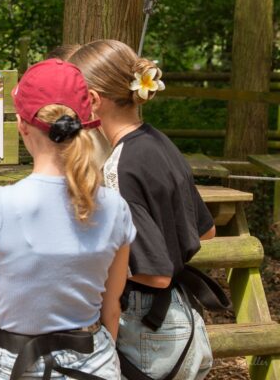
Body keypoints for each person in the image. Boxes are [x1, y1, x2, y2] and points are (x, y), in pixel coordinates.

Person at [0, 58, 136, 380]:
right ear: (85, 123)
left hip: (15, 365)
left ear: (21, 124)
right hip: (93, 363)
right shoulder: (115, 207)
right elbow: (111, 304)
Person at [66, 40, 223, 380]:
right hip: (183, 320)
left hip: (146, 327)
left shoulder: (119, 166)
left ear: (92, 100)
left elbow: (155, 272)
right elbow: (205, 230)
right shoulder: (159, 142)